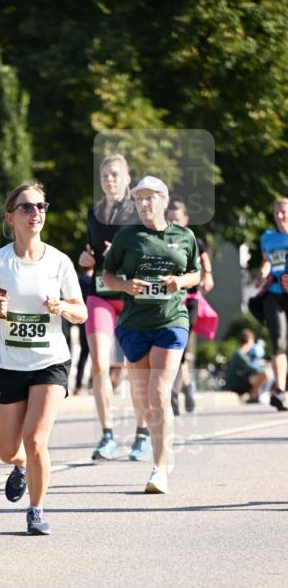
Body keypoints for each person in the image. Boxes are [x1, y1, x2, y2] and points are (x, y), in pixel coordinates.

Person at [0, 182, 86, 535]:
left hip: (50, 362)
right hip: (9, 365)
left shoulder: (59, 262)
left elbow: (81, 311)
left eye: (42, 206)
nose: (36, 213)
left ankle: (36, 509)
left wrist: (62, 307)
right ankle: (19, 465)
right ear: (11, 217)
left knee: (36, 439)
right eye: (27, 207)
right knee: (8, 449)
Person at [102, 176, 201, 494]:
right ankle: (162, 442)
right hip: (133, 325)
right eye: (138, 199)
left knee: (159, 394)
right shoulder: (126, 237)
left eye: (149, 198)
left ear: (163, 200)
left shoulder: (184, 236)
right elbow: (107, 275)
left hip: (171, 321)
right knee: (142, 401)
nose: (143, 204)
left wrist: (180, 282)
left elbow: (196, 273)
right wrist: (125, 285)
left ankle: (159, 469)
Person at [78, 153, 150, 462]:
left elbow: (149, 254)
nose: (109, 180)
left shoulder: (138, 212)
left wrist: (119, 256)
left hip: (131, 297)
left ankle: (142, 435)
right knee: (98, 364)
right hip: (101, 294)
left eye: (115, 175)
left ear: (127, 179)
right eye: (105, 175)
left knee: (136, 368)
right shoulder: (94, 213)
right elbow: (90, 252)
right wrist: (88, 261)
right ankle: (107, 435)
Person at [166, 200, 215, 415]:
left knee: (181, 343)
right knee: (178, 349)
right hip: (170, 299)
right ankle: (186, 387)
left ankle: (175, 393)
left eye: (178, 219)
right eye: (171, 219)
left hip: (191, 298)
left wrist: (208, 276)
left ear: (185, 220)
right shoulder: (163, 240)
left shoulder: (193, 239)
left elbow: (204, 258)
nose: (174, 222)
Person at [259, 198, 288, 411]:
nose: (279, 216)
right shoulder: (267, 238)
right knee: (278, 342)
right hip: (274, 292)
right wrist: (263, 270)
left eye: (284, 212)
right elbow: (268, 260)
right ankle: (280, 391)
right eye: (276, 212)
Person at [225, 328, 272, 401]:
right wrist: (267, 366)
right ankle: (251, 397)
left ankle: (253, 396)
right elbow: (252, 368)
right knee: (265, 374)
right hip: (235, 384)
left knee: (264, 374)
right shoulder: (239, 354)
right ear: (249, 340)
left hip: (239, 381)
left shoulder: (242, 353)